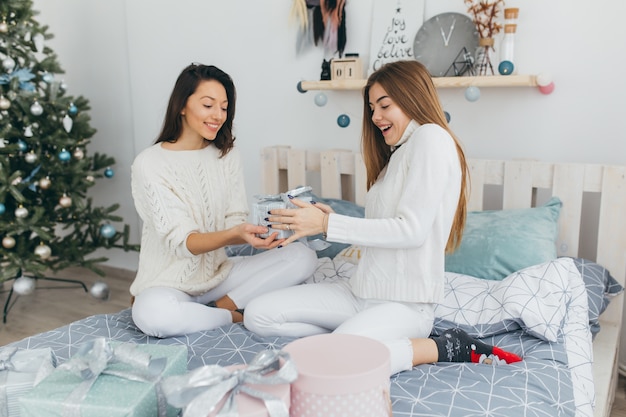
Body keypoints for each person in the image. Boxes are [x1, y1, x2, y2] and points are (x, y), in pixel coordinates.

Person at [244, 60, 521, 374]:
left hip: (403, 305)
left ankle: (436, 347)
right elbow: (382, 226)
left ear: (411, 97)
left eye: (384, 105)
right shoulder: (395, 157)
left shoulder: (431, 138)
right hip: (359, 291)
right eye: (372, 107)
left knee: (325, 364)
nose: (375, 116)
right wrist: (329, 220)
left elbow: (412, 231)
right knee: (258, 314)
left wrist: (327, 225)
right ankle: (351, 342)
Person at [129, 63, 318, 338]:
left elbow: (235, 221)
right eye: (208, 105)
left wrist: (261, 232)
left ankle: (220, 306)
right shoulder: (150, 163)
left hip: (218, 275)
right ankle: (229, 315)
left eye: (224, 107)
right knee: (154, 316)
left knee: (303, 257)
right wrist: (235, 233)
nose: (218, 115)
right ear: (182, 105)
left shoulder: (226, 155)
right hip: (168, 283)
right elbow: (182, 243)